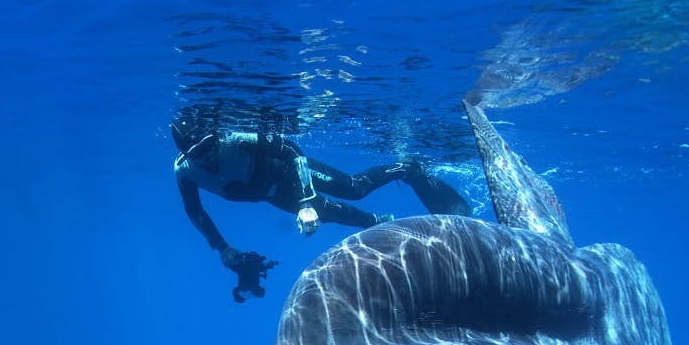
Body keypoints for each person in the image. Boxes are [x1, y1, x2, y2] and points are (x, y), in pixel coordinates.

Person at [172, 112, 471, 302]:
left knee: (354, 189)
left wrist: (305, 202)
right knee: (328, 216)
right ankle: (381, 222)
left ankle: (407, 168)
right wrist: (221, 247)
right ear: (186, 154)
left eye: (211, 144)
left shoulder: (237, 139)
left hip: (291, 176)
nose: (209, 155)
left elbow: (293, 151)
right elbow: (194, 211)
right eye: (199, 153)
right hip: (275, 195)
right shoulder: (185, 172)